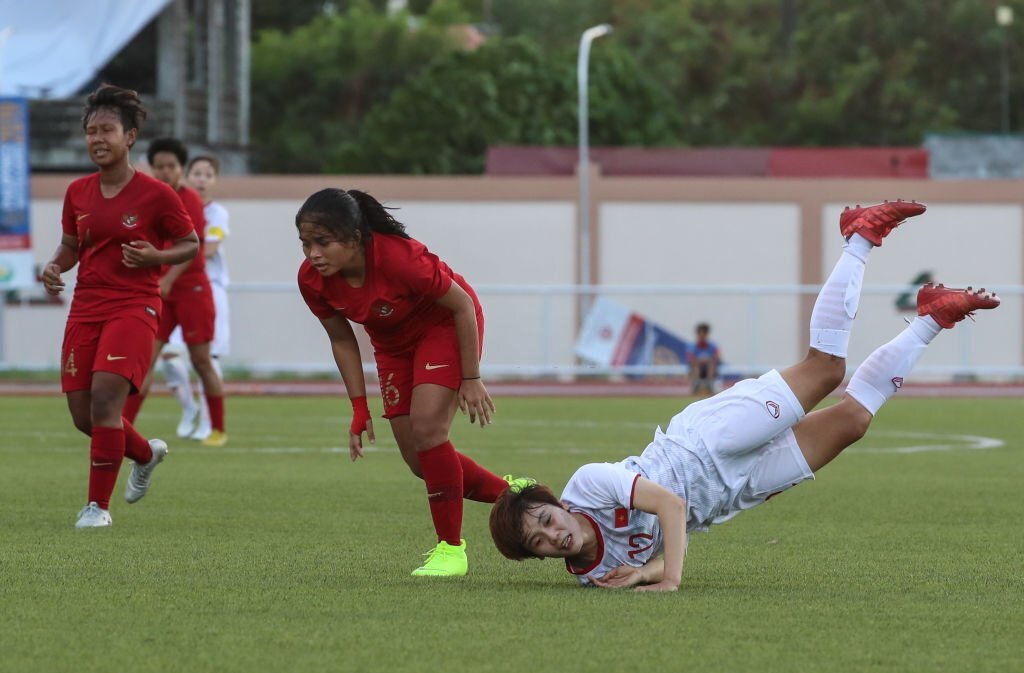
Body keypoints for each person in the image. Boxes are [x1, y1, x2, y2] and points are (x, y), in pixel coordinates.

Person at [489, 199, 1000, 592]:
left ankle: (859, 235)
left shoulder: (588, 485)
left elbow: (668, 503)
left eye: (547, 521)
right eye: (540, 543)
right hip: (731, 491)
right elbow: (666, 542)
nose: (554, 536)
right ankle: (933, 317)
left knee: (824, 370)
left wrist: (666, 579)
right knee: (853, 422)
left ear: (554, 502)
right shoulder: (589, 573)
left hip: (706, 444)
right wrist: (646, 574)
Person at [295, 188, 531, 577]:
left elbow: (462, 306)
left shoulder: (399, 259)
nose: (313, 254)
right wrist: (358, 407)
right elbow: (341, 339)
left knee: (428, 430)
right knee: (419, 462)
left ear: (354, 240)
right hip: (391, 345)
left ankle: (451, 551)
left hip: (444, 325)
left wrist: (470, 377)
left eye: (323, 242)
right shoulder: (312, 281)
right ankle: (514, 494)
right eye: (305, 244)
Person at [41, 84, 199, 528]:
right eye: (91, 131)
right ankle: (146, 454)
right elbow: (71, 245)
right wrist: (55, 266)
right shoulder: (78, 192)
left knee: (107, 402)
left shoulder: (157, 195)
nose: (97, 138)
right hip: (85, 307)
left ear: (129, 137)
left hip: (134, 305)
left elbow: (189, 244)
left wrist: (156, 257)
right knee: (83, 415)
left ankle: (97, 508)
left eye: (107, 129)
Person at [124, 138, 228, 447]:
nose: (165, 171)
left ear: (180, 168)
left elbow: (193, 249)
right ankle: (121, 429)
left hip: (191, 289)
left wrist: (168, 278)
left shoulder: (190, 199)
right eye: (159, 166)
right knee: (144, 361)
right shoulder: (147, 198)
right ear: (151, 168)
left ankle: (218, 430)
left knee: (202, 361)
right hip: (159, 291)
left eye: (171, 166)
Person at [158, 154, 232, 440]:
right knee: (169, 355)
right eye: (197, 173)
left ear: (214, 180)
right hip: (172, 288)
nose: (201, 179)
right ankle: (189, 409)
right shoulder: (174, 207)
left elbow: (208, 248)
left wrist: (177, 250)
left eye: (208, 174)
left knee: (206, 359)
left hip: (208, 287)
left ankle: (210, 425)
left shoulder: (216, 213)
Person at [687, 322, 720, 396]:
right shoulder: (692, 346)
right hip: (697, 368)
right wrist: (699, 361)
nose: (702, 336)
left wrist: (708, 361)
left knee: (711, 364)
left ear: (707, 334)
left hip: (709, 369)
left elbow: (717, 357)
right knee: (696, 365)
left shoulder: (713, 346)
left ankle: (710, 385)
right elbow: (690, 359)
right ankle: (696, 385)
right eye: (700, 333)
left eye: (704, 334)